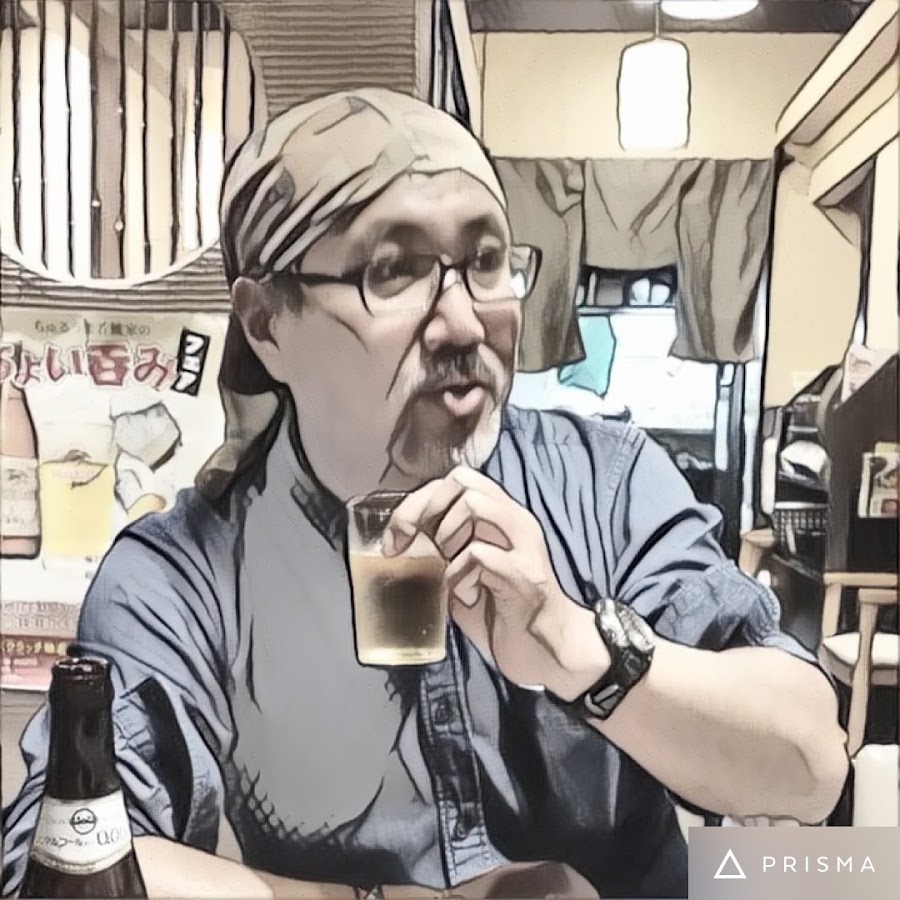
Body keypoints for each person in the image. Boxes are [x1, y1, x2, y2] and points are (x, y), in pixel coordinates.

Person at [2, 88, 848, 900]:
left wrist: (578, 646)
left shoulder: (605, 483)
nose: (464, 323)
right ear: (266, 324)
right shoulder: (188, 575)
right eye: (393, 270)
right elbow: (61, 867)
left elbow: (812, 768)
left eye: (485, 262)